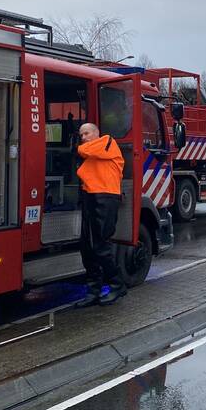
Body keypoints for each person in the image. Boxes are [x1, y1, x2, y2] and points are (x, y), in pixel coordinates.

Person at [75, 122, 127, 307]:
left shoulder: (107, 142)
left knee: (100, 245)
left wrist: (81, 145)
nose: (84, 137)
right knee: (87, 246)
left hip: (105, 197)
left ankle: (117, 284)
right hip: (91, 195)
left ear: (97, 133)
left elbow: (83, 150)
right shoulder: (95, 149)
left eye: (87, 133)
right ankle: (94, 290)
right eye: (81, 134)